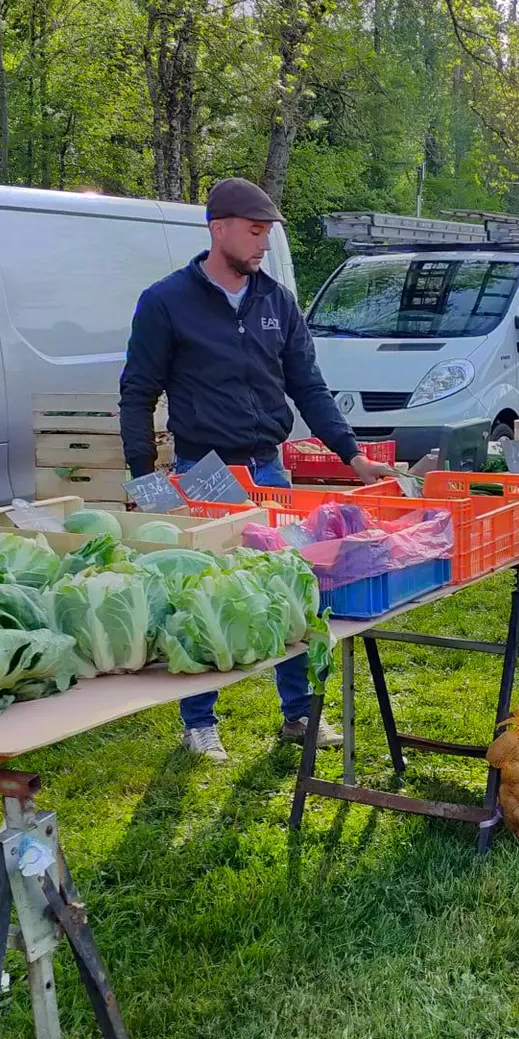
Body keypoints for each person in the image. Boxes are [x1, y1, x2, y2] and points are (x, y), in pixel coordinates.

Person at [120, 177, 398, 760]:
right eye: (254, 230)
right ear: (218, 228)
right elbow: (137, 393)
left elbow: (309, 387)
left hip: (269, 471)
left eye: (267, 231)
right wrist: (145, 478)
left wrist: (352, 457)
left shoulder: (277, 302)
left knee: (293, 587)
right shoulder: (165, 301)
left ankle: (298, 715)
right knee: (199, 591)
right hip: (204, 473)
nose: (263, 243)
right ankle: (199, 722)